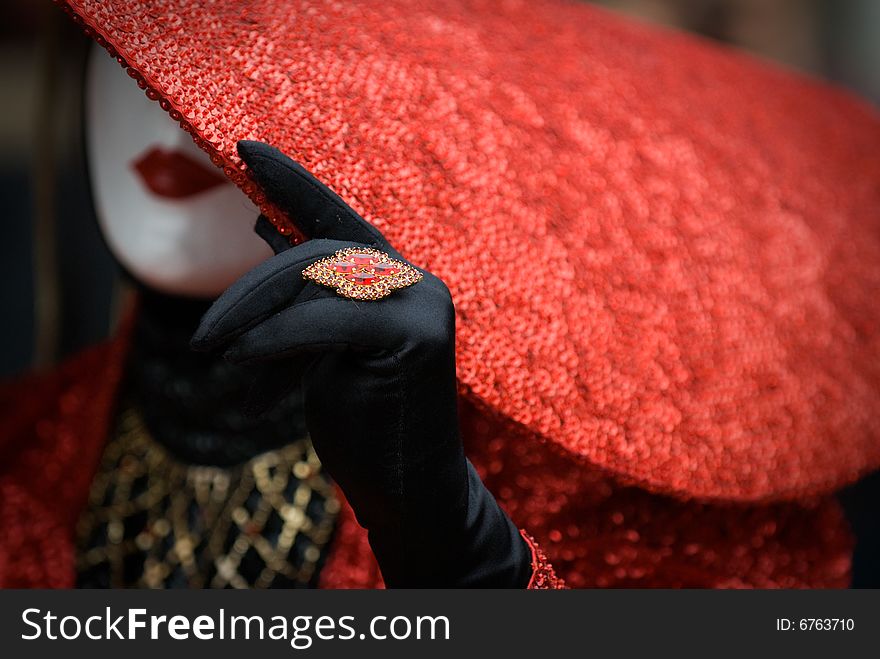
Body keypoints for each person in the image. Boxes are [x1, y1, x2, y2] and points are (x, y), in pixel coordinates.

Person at [1, 0, 878, 589]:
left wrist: (462, 557)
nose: (164, 106)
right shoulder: (18, 449)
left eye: (257, 27)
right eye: (132, 38)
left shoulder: (595, 489)